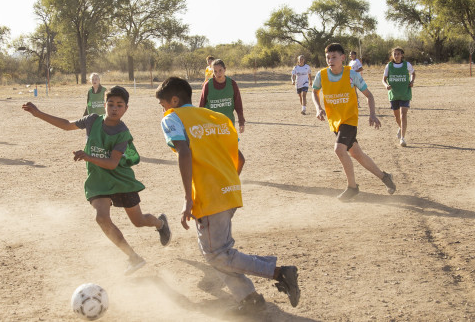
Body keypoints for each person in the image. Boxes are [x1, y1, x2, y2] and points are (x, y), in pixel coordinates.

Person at [156, 77, 300, 313]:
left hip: (209, 195)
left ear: (174, 100)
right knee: (218, 251)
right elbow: (240, 158)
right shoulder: (218, 118)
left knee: (216, 255)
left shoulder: (173, 118)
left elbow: (183, 152)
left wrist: (187, 199)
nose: (163, 110)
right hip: (230, 190)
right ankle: (249, 299)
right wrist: (228, 181)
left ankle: (280, 272)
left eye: (163, 105)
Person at [22, 86, 171, 275]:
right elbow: (67, 125)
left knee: (139, 221)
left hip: (121, 180)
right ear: (105, 105)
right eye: (110, 104)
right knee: (101, 218)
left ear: (126, 108)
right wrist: (38, 113)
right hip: (99, 181)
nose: (114, 108)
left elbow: (112, 164)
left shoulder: (123, 133)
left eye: (119, 105)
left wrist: (87, 157)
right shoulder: (93, 120)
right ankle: (132, 257)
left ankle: (160, 224)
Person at [311, 43, 396, 202]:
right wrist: (318, 108)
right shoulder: (321, 75)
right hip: (335, 122)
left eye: (334, 57)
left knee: (339, 149)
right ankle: (385, 177)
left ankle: (352, 188)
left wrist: (372, 114)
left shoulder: (352, 75)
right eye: (328, 57)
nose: (330, 60)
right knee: (356, 154)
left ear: (343, 58)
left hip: (349, 120)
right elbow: (314, 92)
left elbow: (369, 95)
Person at [198, 59, 246, 173]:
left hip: (227, 128)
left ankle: (232, 182)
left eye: (220, 70)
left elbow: (238, 104)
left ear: (225, 70)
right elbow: (201, 107)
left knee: (239, 160)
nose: (218, 74)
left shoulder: (232, 84)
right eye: (215, 71)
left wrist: (241, 122)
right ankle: (219, 184)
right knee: (216, 160)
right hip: (211, 130)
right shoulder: (208, 85)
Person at [382, 47, 416, 147]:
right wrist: (386, 85)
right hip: (394, 94)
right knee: (397, 117)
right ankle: (401, 127)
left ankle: (402, 138)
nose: (396, 56)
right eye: (395, 54)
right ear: (392, 56)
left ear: (402, 55)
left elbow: (413, 73)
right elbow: (383, 79)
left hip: (405, 93)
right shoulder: (389, 66)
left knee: (403, 114)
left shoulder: (407, 64)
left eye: (398, 54)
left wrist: (412, 81)